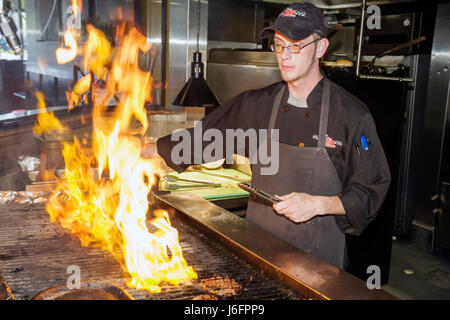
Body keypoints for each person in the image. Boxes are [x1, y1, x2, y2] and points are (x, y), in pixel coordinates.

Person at [143, 2, 391, 269]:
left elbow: (371, 188)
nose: (284, 55)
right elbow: (204, 138)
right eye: (279, 45)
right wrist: (149, 149)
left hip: (319, 264)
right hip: (259, 253)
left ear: (320, 48)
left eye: (295, 46)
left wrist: (319, 204)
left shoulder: (351, 115)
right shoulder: (257, 105)